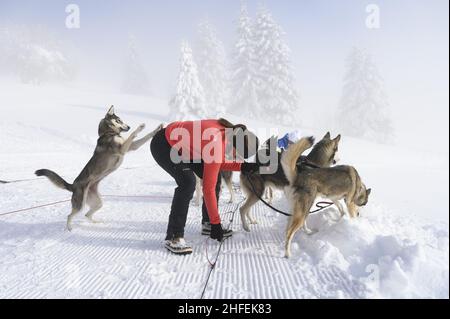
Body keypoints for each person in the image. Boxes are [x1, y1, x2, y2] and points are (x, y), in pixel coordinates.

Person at [150, 118, 264, 255]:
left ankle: (208, 223)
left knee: (214, 178)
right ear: (235, 146)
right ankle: (174, 237)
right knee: (187, 183)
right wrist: (217, 224)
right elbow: (208, 189)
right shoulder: (216, 142)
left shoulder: (228, 132)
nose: (235, 157)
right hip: (164, 144)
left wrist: (242, 166)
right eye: (237, 155)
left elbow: (215, 163)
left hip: (186, 148)